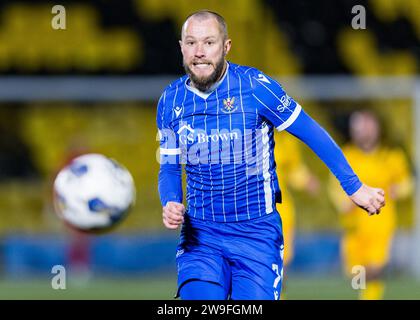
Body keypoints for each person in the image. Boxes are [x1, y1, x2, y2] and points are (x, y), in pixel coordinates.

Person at [157, 10, 385, 300]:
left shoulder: (256, 87)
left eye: (209, 43)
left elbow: (312, 132)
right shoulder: (170, 100)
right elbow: (170, 168)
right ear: (181, 47)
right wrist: (171, 200)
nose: (199, 52)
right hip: (201, 236)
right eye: (191, 43)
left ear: (226, 47)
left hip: (256, 234)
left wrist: (353, 186)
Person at [328, 110, 412, 300]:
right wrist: (342, 203)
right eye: (359, 128)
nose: (364, 131)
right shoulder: (346, 155)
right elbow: (334, 186)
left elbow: (408, 183)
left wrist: (396, 190)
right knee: (357, 275)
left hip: (380, 224)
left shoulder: (390, 156)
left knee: (375, 270)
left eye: (368, 126)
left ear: (377, 129)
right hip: (353, 227)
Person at [274, 132, 319, 298]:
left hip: (281, 210)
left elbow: (293, 169)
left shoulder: (285, 140)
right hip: (248, 210)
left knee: (279, 264)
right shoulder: (244, 133)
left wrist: (306, 180)